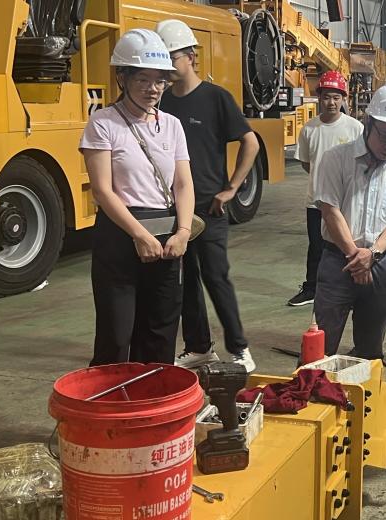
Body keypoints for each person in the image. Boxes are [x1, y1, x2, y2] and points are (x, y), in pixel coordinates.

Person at [80, 29, 194, 366]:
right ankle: (111, 397)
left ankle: (154, 395)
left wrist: (183, 232)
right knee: (117, 334)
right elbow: (102, 190)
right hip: (121, 234)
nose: (152, 88)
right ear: (123, 77)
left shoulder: (172, 125)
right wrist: (140, 235)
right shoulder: (103, 123)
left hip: (167, 236)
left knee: (160, 331)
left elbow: (183, 184)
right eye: (143, 79)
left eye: (159, 80)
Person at [156, 19, 259, 371]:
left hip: (208, 208)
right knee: (184, 281)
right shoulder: (162, 102)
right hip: (173, 209)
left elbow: (250, 142)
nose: (167, 67)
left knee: (216, 277)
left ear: (190, 56)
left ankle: (239, 347)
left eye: (171, 58)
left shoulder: (216, 98)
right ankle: (199, 346)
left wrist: (231, 188)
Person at [313, 83, 386, 359]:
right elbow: (330, 210)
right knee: (321, 346)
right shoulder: (336, 158)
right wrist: (355, 256)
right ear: (369, 123)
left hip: (379, 263)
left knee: (371, 349)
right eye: (385, 136)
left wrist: (372, 254)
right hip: (337, 260)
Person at [287, 71, 364, 307]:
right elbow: (306, 163)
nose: (331, 102)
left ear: (343, 99)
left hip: (346, 200)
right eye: (326, 97)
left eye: (336, 97)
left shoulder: (355, 128)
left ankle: (349, 288)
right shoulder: (309, 129)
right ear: (319, 97)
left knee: (347, 243)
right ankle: (311, 288)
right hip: (316, 201)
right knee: (316, 246)